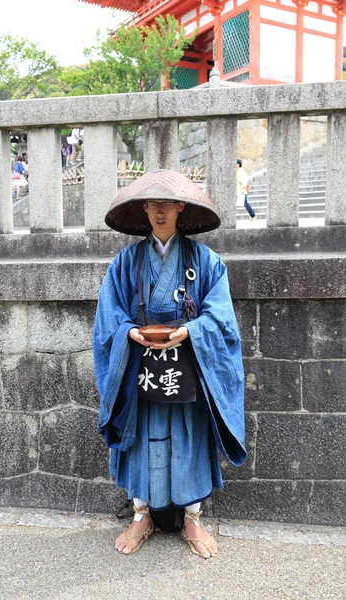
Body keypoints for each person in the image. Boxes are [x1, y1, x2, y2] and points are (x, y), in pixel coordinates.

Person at [93, 169, 246, 559]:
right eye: (151, 205)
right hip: (141, 366)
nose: (158, 212)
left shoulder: (205, 261)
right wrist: (129, 333)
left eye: (166, 204)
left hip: (188, 366)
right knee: (142, 436)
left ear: (181, 207)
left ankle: (193, 517)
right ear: (143, 210)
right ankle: (141, 513)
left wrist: (193, 330)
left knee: (190, 435)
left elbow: (222, 317)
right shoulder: (126, 263)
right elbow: (108, 318)